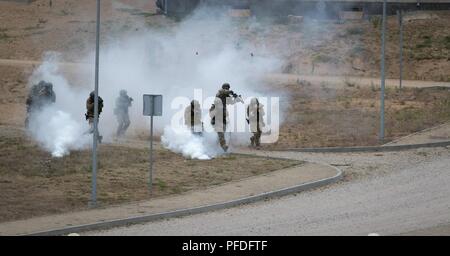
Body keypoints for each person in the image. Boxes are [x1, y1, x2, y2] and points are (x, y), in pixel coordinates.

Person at [212, 83, 243, 151]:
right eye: (226, 88)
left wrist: (237, 99)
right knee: (220, 131)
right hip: (217, 114)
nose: (227, 89)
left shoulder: (226, 96)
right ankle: (223, 146)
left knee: (223, 130)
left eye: (228, 88)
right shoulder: (220, 93)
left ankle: (216, 145)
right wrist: (231, 92)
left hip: (223, 115)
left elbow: (231, 102)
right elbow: (223, 91)